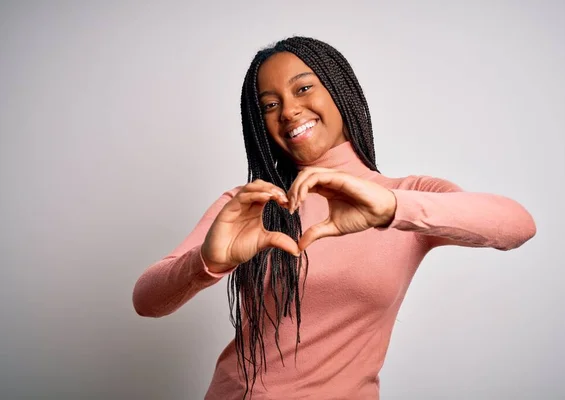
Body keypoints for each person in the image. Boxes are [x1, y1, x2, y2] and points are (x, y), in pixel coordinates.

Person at [132, 36, 536, 400]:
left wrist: (392, 208)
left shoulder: (407, 195)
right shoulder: (249, 205)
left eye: (303, 88)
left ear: (340, 91)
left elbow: (517, 225)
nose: (289, 111)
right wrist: (208, 262)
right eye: (270, 105)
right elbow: (146, 300)